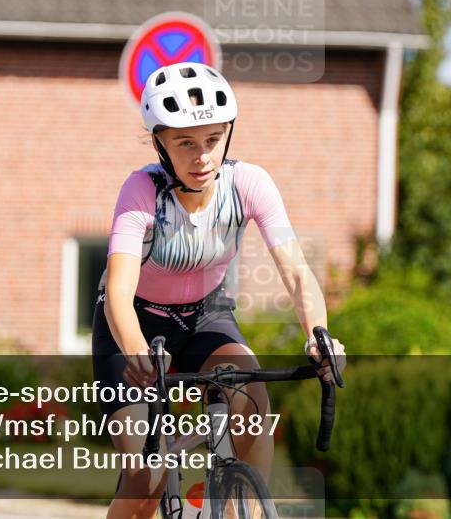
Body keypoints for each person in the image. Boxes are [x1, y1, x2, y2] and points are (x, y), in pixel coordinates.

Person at [92, 61, 344, 518]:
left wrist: (318, 335)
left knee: (252, 405)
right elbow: (119, 295)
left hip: (206, 315)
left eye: (213, 139)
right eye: (186, 143)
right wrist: (137, 352)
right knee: (145, 479)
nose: (203, 157)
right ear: (160, 143)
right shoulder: (141, 191)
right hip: (133, 324)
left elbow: (296, 272)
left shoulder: (249, 183)